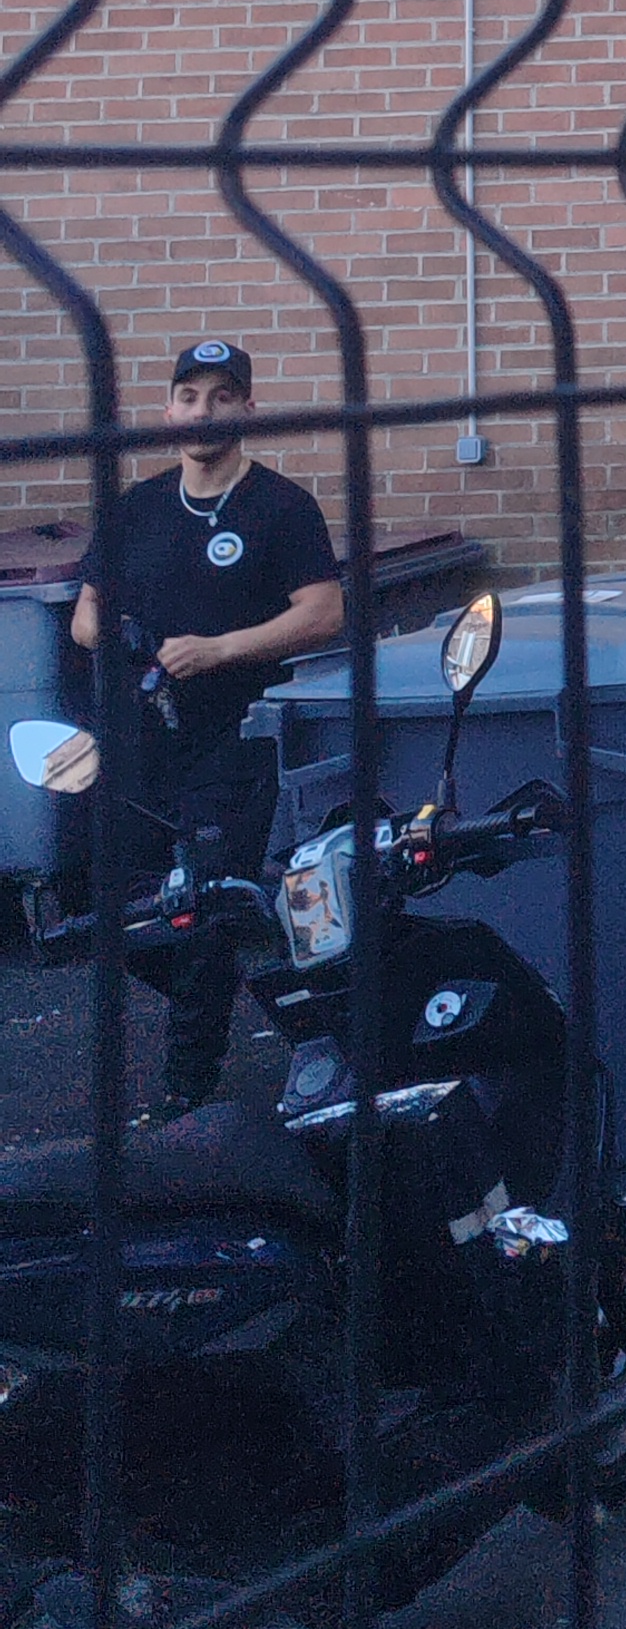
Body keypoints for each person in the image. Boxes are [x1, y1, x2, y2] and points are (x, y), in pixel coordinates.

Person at [67, 339, 342, 1114]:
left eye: (222, 396)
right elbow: (85, 616)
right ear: (169, 410)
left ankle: (188, 1092)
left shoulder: (281, 507)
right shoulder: (137, 508)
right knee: (122, 911)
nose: (203, 410)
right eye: (189, 395)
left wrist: (220, 649)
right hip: (143, 743)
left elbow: (324, 612)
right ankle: (246, 986)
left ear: (247, 408)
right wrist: (117, 635)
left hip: (237, 741)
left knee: (204, 906)